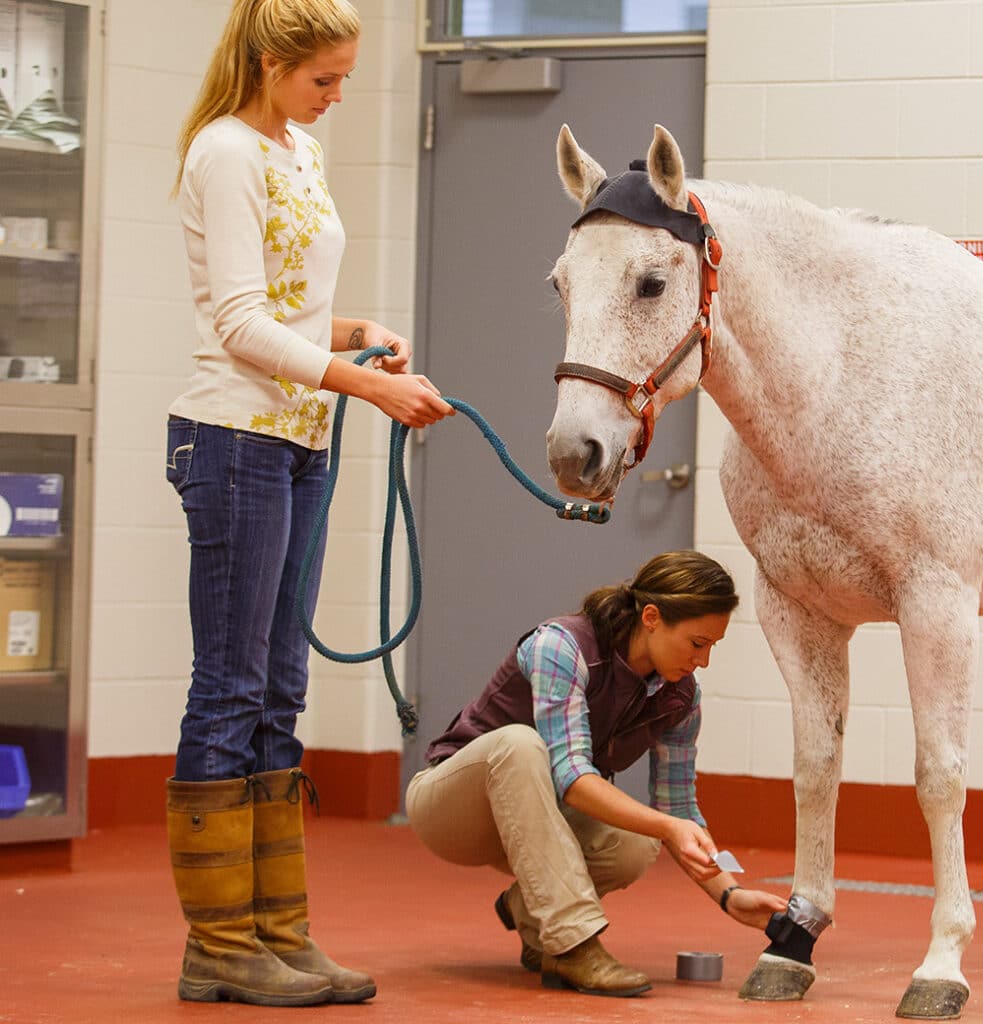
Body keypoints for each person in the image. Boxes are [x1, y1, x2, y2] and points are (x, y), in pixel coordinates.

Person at [164, 0, 454, 1008]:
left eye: (342, 81)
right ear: (268, 60)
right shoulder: (225, 152)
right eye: (321, 81)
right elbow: (240, 322)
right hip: (234, 435)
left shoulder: (296, 150)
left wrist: (355, 328)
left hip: (298, 439)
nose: (334, 100)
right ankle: (220, 944)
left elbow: (283, 302)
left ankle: (279, 933)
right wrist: (365, 382)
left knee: (282, 689)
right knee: (232, 689)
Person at [406, 550, 788, 998]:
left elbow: (679, 812)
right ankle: (573, 944)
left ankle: (535, 922)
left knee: (639, 842)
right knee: (521, 745)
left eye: (712, 648)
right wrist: (670, 826)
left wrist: (731, 895)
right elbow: (570, 775)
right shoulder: (561, 648)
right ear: (651, 617)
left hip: (540, 819)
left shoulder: (680, 699)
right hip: (454, 810)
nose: (702, 661)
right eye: (697, 643)